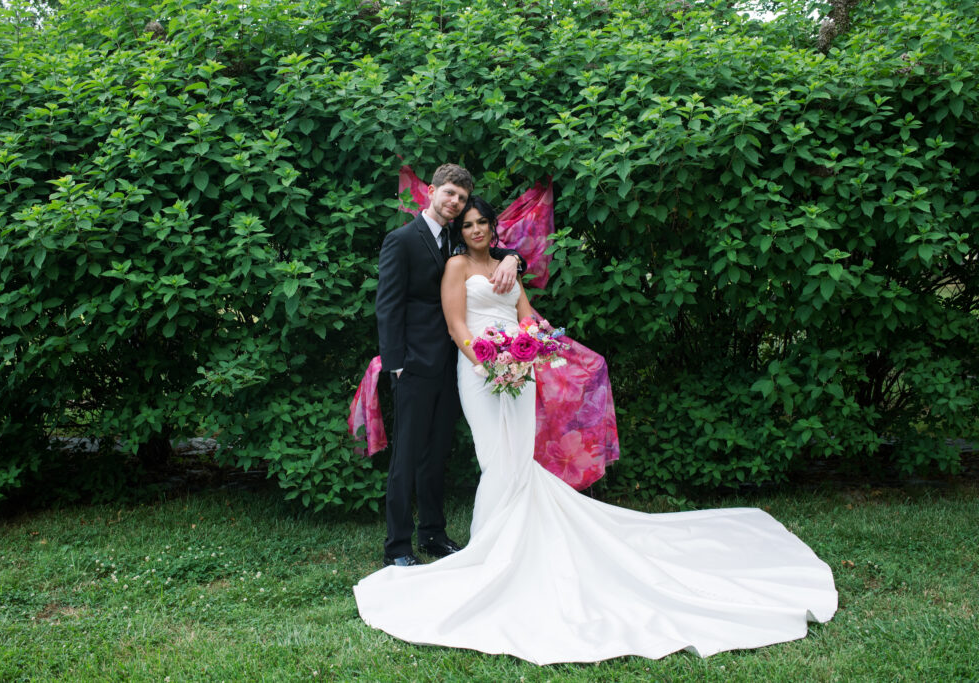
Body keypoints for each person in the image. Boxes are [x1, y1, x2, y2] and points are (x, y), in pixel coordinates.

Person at [354, 196, 838, 664]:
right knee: (492, 457)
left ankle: (500, 543)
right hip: (475, 369)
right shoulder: (451, 262)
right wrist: (486, 360)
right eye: (468, 223)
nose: (475, 228)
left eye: (482, 221)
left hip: (520, 372)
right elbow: (455, 320)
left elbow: (529, 317)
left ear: (493, 227)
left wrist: (530, 349)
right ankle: (481, 547)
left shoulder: (508, 263)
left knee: (518, 455)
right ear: (458, 227)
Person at [374, 164, 525, 568]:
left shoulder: (457, 243)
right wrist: (396, 365)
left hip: (454, 364)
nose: (455, 202)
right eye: (449, 194)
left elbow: (489, 254)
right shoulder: (403, 240)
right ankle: (398, 546)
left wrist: (514, 258)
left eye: (461, 197)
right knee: (407, 453)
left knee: (437, 452)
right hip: (414, 365)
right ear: (432, 192)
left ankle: (434, 534)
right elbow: (387, 305)